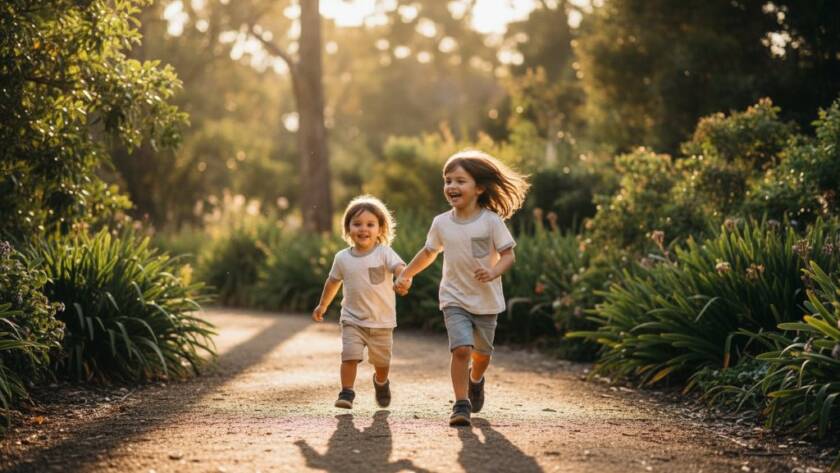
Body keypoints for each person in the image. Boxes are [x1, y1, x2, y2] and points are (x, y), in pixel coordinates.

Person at [395, 149, 529, 426]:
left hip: (486, 301)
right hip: (454, 298)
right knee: (461, 350)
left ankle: (476, 380)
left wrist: (493, 272)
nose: (451, 187)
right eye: (447, 181)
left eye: (459, 181)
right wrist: (407, 274)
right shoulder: (441, 223)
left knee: (481, 355)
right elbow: (429, 252)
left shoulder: (491, 221)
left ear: (479, 187)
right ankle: (460, 404)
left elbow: (508, 256)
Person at [312, 195, 410, 409]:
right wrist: (323, 305)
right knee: (349, 356)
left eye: (370, 224)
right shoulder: (342, 258)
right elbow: (332, 282)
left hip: (381, 322)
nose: (363, 229)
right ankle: (347, 392)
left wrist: (403, 278)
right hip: (352, 320)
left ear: (380, 229)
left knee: (382, 363)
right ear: (347, 228)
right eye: (357, 224)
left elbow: (399, 267)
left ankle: (381, 382)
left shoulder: (384, 253)